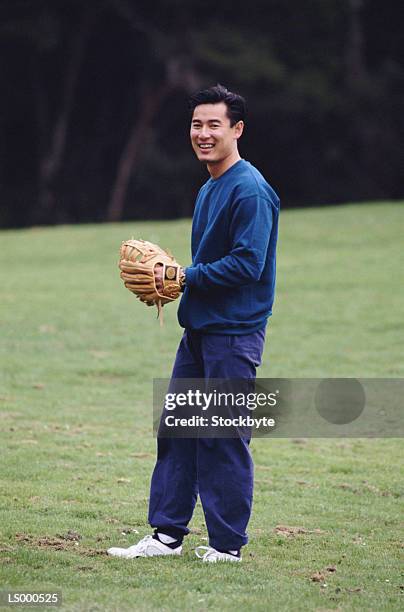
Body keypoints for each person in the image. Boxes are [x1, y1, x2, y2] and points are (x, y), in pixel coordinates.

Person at [107, 84, 280, 563]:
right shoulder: (210, 186)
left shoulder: (250, 190)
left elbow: (248, 263)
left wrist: (184, 275)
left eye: (214, 125)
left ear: (237, 129)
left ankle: (227, 546)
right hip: (200, 330)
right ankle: (166, 535)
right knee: (178, 429)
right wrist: (188, 279)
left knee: (222, 435)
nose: (203, 134)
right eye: (196, 125)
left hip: (234, 333)